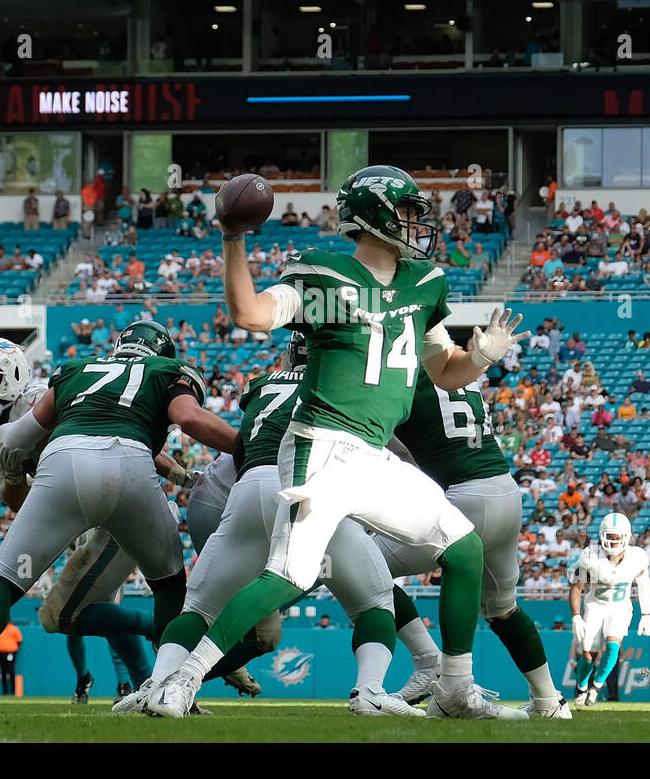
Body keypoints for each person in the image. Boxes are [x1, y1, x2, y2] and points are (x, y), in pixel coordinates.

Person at [143, 165, 529, 721]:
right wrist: (233, 239)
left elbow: (445, 371)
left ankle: (456, 688)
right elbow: (250, 314)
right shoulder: (323, 273)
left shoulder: (426, 284)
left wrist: (484, 355)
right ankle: (183, 678)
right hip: (322, 443)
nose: (417, 223)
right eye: (406, 211)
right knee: (289, 577)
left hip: (373, 454)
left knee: (464, 548)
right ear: (372, 218)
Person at [0, 322, 238, 708]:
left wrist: (178, 472)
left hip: (72, 481)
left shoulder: (69, 377)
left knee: (11, 581)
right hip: (128, 483)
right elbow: (139, 431)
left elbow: (33, 445)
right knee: (163, 586)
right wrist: (13, 471)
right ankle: (169, 675)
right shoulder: (156, 373)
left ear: (12, 373)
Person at [126, 335, 415, 717]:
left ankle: (158, 684)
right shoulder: (349, 383)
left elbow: (245, 440)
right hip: (311, 486)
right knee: (375, 600)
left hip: (252, 484)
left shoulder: (262, 384)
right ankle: (369, 690)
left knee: (198, 607)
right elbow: (393, 452)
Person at [0, 337, 155, 704]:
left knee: (91, 603)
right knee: (75, 612)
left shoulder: (45, 398)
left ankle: (149, 662)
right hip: (69, 511)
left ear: (11, 374)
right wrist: (13, 475)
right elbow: (18, 501)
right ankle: (137, 676)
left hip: (105, 495)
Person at [375, 368, 570, 717]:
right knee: (503, 609)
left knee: (363, 565)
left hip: (463, 495)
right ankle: (548, 701)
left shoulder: (401, 371)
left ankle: (434, 666)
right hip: (505, 492)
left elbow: (385, 441)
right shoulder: (455, 369)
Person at [568, 512, 650, 708]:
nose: (613, 541)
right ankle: (582, 687)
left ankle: (596, 687)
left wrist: (646, 614)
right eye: (610, 536)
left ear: (626, 536)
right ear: (602, 535)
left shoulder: (637, 557)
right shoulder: (590, 556)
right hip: (595, 606)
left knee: (614, 643)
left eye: (617, 537)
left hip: (620, 607)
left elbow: (644, 585)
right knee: (589, 653)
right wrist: (576, 616)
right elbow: (577, 587)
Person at [0, 621, 22, 694]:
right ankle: (5, 691)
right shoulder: (0, 629)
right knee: (3, 672)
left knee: (11, 671)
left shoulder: (14, 629)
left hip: (11, 653)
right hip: (1, 653)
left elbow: (19, 641)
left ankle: (13, 690)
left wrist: (13, 650)